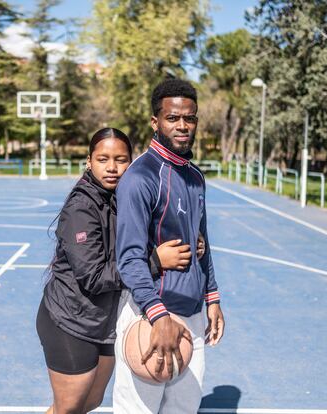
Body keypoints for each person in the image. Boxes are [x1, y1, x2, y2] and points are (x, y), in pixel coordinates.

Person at [36, 127, 202, 414]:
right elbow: (93, 276)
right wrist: (155, 260)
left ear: (131, 161)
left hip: (104, 321)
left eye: (121, 160)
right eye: (103, 159)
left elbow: (148, 230)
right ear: (89, 161)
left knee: (90, 402)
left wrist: (191, 241)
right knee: (69, 408)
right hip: (71, 321)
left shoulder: (123, 195)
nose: (112, 167)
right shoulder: (81, 208)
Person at [113, 79, 225, 414]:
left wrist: (213, 297)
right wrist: (157, 314)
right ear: (155, 122)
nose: (182, 126)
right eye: (172, 118)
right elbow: (129, 258)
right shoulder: (140, 177)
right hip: (150, 312)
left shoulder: (195, 176)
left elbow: (203, 241)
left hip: (192, 317)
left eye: (189, 119)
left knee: (183, 411)